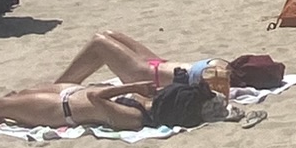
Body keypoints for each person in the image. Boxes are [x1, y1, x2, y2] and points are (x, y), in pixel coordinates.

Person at [0, 76, 232, 131]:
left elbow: (97, 99)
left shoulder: (136, 119)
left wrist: (132, 86)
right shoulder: (148, 105)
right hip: (72, 93)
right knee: (12, 97)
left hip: (60, 111)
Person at [50, 30, 240, 93]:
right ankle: (64, 84)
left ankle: (59, 86)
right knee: (109, 34)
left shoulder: (216, 74)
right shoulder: (219, 66)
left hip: (145, 74)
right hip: (156, 65)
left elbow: (215, 88)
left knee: (99, 42)